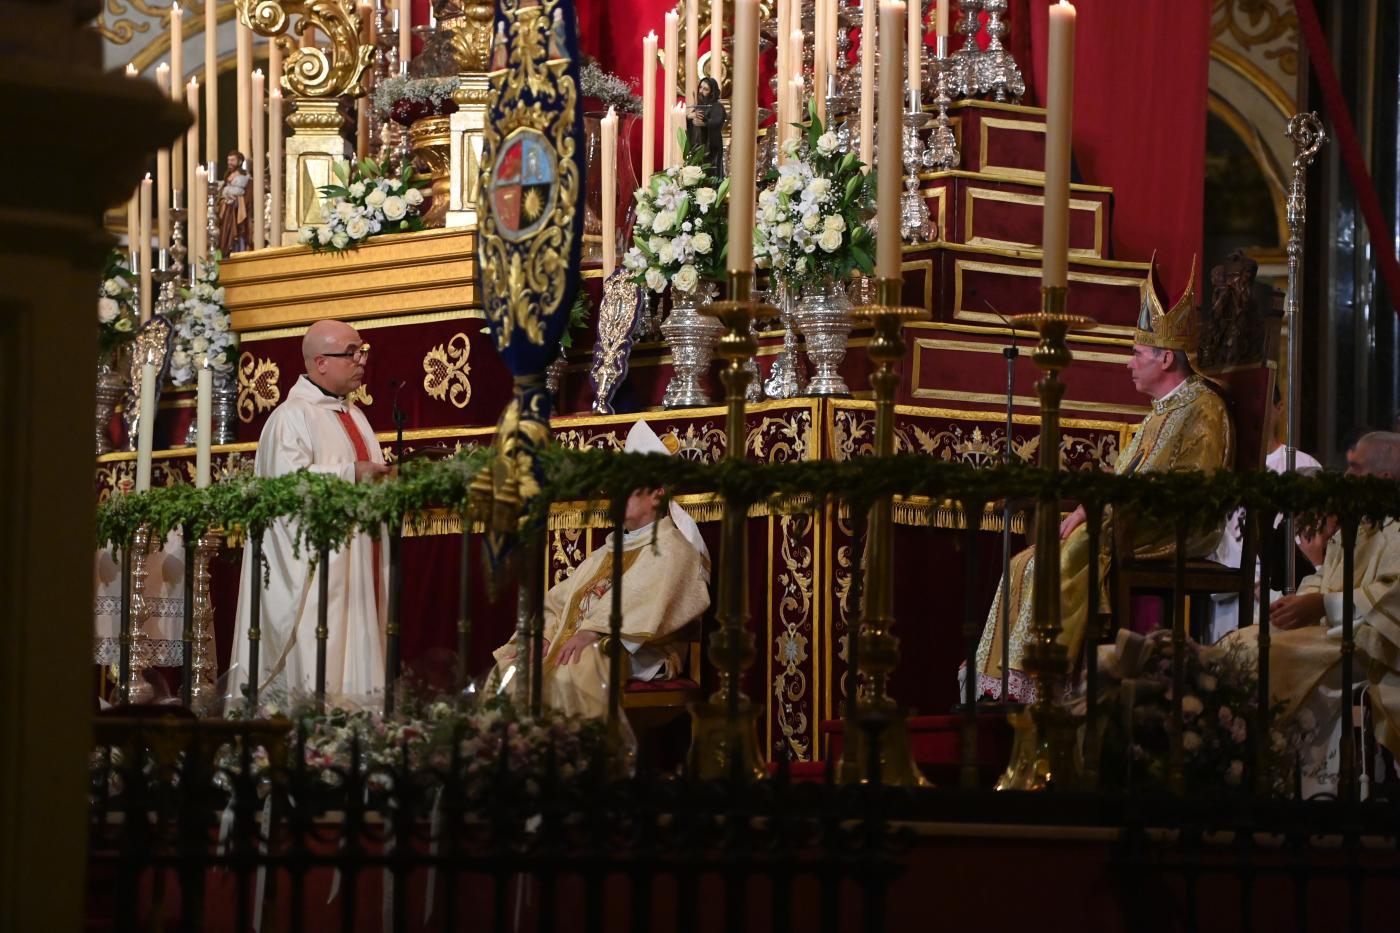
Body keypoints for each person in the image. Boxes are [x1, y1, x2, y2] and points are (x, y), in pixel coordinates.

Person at [967, 269, 1235, 701]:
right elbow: (1125, 474)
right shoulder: (1160, 409)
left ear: (1166, 359)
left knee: (1073, 551)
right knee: (1029, 560)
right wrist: (1086, 506)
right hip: (1128, 514)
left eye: (1136, 353)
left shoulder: (1202, 407)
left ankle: (1045, 681)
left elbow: (1198, 487)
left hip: (1168, 524)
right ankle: (1008, 679)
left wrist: (1101, 508)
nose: (1128, 363)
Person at [491, 420, 711, 718]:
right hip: (585, 644)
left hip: (637, 652)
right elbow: (560, 601)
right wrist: (542, 636)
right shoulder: (607, 551)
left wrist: (594, 632)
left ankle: (575, 760)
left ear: (658, 494)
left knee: (578, 664)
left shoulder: (674, 547)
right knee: (512, 666)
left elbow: (643, 601)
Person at [1221, 431, 1400, 796]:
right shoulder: (1362, 521)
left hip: (1375, 647)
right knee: (1242, 641)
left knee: (1273, 655)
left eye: (1354, 468)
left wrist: (1322, 606)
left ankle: (1296, 787)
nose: (1345, 478)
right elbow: (1328, 576)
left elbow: (1392, 596)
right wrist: (1299, 604)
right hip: (1335, 631)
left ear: (1383, 479)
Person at [228, 320, 388, 705]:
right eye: (351, 352)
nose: (361, 360)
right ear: (320, 362)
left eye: (362, 351)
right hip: (318, 572)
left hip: (357, 562)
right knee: (321, 651)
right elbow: (285, 491)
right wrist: (349, 474)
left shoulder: (355, 416)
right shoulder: (291, 417)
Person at [1206, 385, 1322, 642]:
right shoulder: (1221, 468)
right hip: (1231, 595)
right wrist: (1250, 578)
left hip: (1284, 596)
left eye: (1261, 406)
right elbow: (1214, 536)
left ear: (1279, 409)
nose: (1252, 415)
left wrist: (1268, 580)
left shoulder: (1303, 465)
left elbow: (1312, 536)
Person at [686, 76, 726, 178]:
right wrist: (689, 117)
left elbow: (717, 122)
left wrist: (704, 124)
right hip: (698, 147)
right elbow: (690, 122)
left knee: (711, 174)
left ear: (712, 92)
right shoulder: (699, 106)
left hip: (711, 148)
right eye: (700, 88)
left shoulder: (717, 106)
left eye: (705, 89)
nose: (701, 91)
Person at [216, 150, 253, 257]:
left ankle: (238, 253)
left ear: (240, 161)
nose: (229, 163)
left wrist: (238, 199)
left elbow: (248, 196)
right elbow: (221, 194)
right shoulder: (228, 175)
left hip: (237, 211)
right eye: (228, 160)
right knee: (225, 235)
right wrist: (224, 198)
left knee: (238, 233)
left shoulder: (245, 177)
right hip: (227, 211)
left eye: (232, 160)